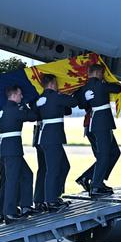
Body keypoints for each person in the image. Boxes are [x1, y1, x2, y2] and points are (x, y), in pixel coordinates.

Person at [0, 85, 39, 224]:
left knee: (23, 175)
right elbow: (33, 116)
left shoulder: (1, 109)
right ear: (13, 95)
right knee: (12, 181)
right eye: (20, 94)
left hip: (2, 149)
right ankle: (9, 213)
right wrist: (25, 106)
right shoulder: (15, 109)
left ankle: (18, 208)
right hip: (12, 150)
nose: (22, 97)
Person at [75, 64, 121, 197]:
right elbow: (117, 88)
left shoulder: (84, 88)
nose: (103, 75)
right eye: (102, 73)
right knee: (104, 155)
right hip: (102, 123)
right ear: (97, 73)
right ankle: (96, 186)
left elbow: (81, 104)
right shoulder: (101, 84)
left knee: (114, 153)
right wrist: (106, 81)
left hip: (94, 123)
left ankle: (87, 178)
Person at [33, 74, 78, 211]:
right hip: (52, 138)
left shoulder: (40, 99)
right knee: (52, 170)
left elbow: (66, 110)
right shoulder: (56, 97)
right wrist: (69, 92)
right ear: (52, 84)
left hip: (45, 137)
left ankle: (53, 195)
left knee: (63, 166)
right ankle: (51, 201)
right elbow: (74, 103)